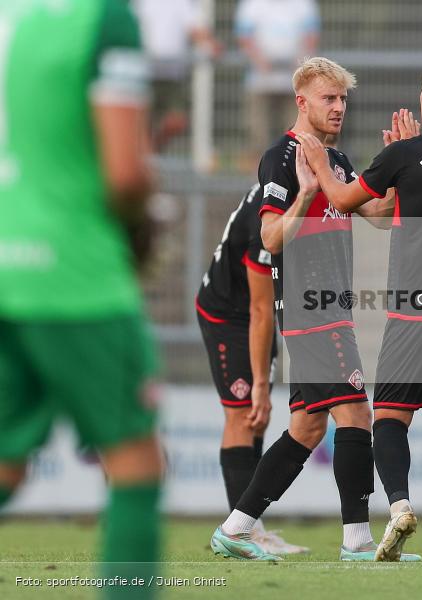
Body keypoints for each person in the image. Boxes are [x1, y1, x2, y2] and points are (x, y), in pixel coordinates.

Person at [209, 57, 419, 562]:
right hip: (311, 308)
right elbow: (270, 235)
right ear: (302, 101)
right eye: (329, 98)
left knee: (307, 426)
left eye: (343, 99)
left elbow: (378, 216)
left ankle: (234, 529)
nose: (339, 107)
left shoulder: (339, 161)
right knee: (356, 413)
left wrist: (399, 162)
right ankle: (357, 542)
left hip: (331, 306)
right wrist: (304, 194)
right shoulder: (282, 157)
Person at [297, 57, 422, 562]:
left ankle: (400, 505)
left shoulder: (407, 154)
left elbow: (346, 201)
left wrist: (322, 164)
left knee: (388, 418)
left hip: (417, 311)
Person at [0, 0, 163, 595]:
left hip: (4, 266)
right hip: (71, 273)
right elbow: (124, 175)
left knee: (6, 464)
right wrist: (143, 214)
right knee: (134, 463)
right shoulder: (103, 18)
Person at [196, 183, 305, 554]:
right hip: (228, 314)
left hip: (255, 314)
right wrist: (260, 383)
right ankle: (241, 532)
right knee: (242, 416)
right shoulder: (268, 214)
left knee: (256, 418)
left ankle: (250, 526)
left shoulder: (288, 185)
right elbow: (260, 308)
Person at [235, 0, 321, 163]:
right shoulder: (252, 5)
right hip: (259, 82)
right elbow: (244, 37)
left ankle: (292, 178)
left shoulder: (304, 5)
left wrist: (301, 62)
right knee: (257, 135)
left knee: (298, 136)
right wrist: (259, 60)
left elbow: (312, 36)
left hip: (295, 83)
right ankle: (258, 181)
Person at [133, 0, 221, 151]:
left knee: (177, 120)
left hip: (172, 76)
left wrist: (209, 43)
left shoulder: (181, 3)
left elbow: (195, 27)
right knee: (141, 124)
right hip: (143, 75)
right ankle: (145, 155)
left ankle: (150, 150)